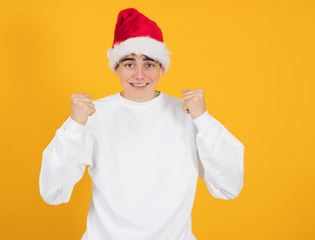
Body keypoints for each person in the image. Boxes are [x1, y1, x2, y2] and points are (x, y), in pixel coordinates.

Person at [39, 8, 244, 240]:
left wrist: (203, 119)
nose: (139, 74)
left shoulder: (189, 114)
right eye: (129, 64)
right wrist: (75, 125)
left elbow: (229, 186)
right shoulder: (92, 114)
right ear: (116, 68)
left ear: (162, 69)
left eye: (149, 64)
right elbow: (52, 191)